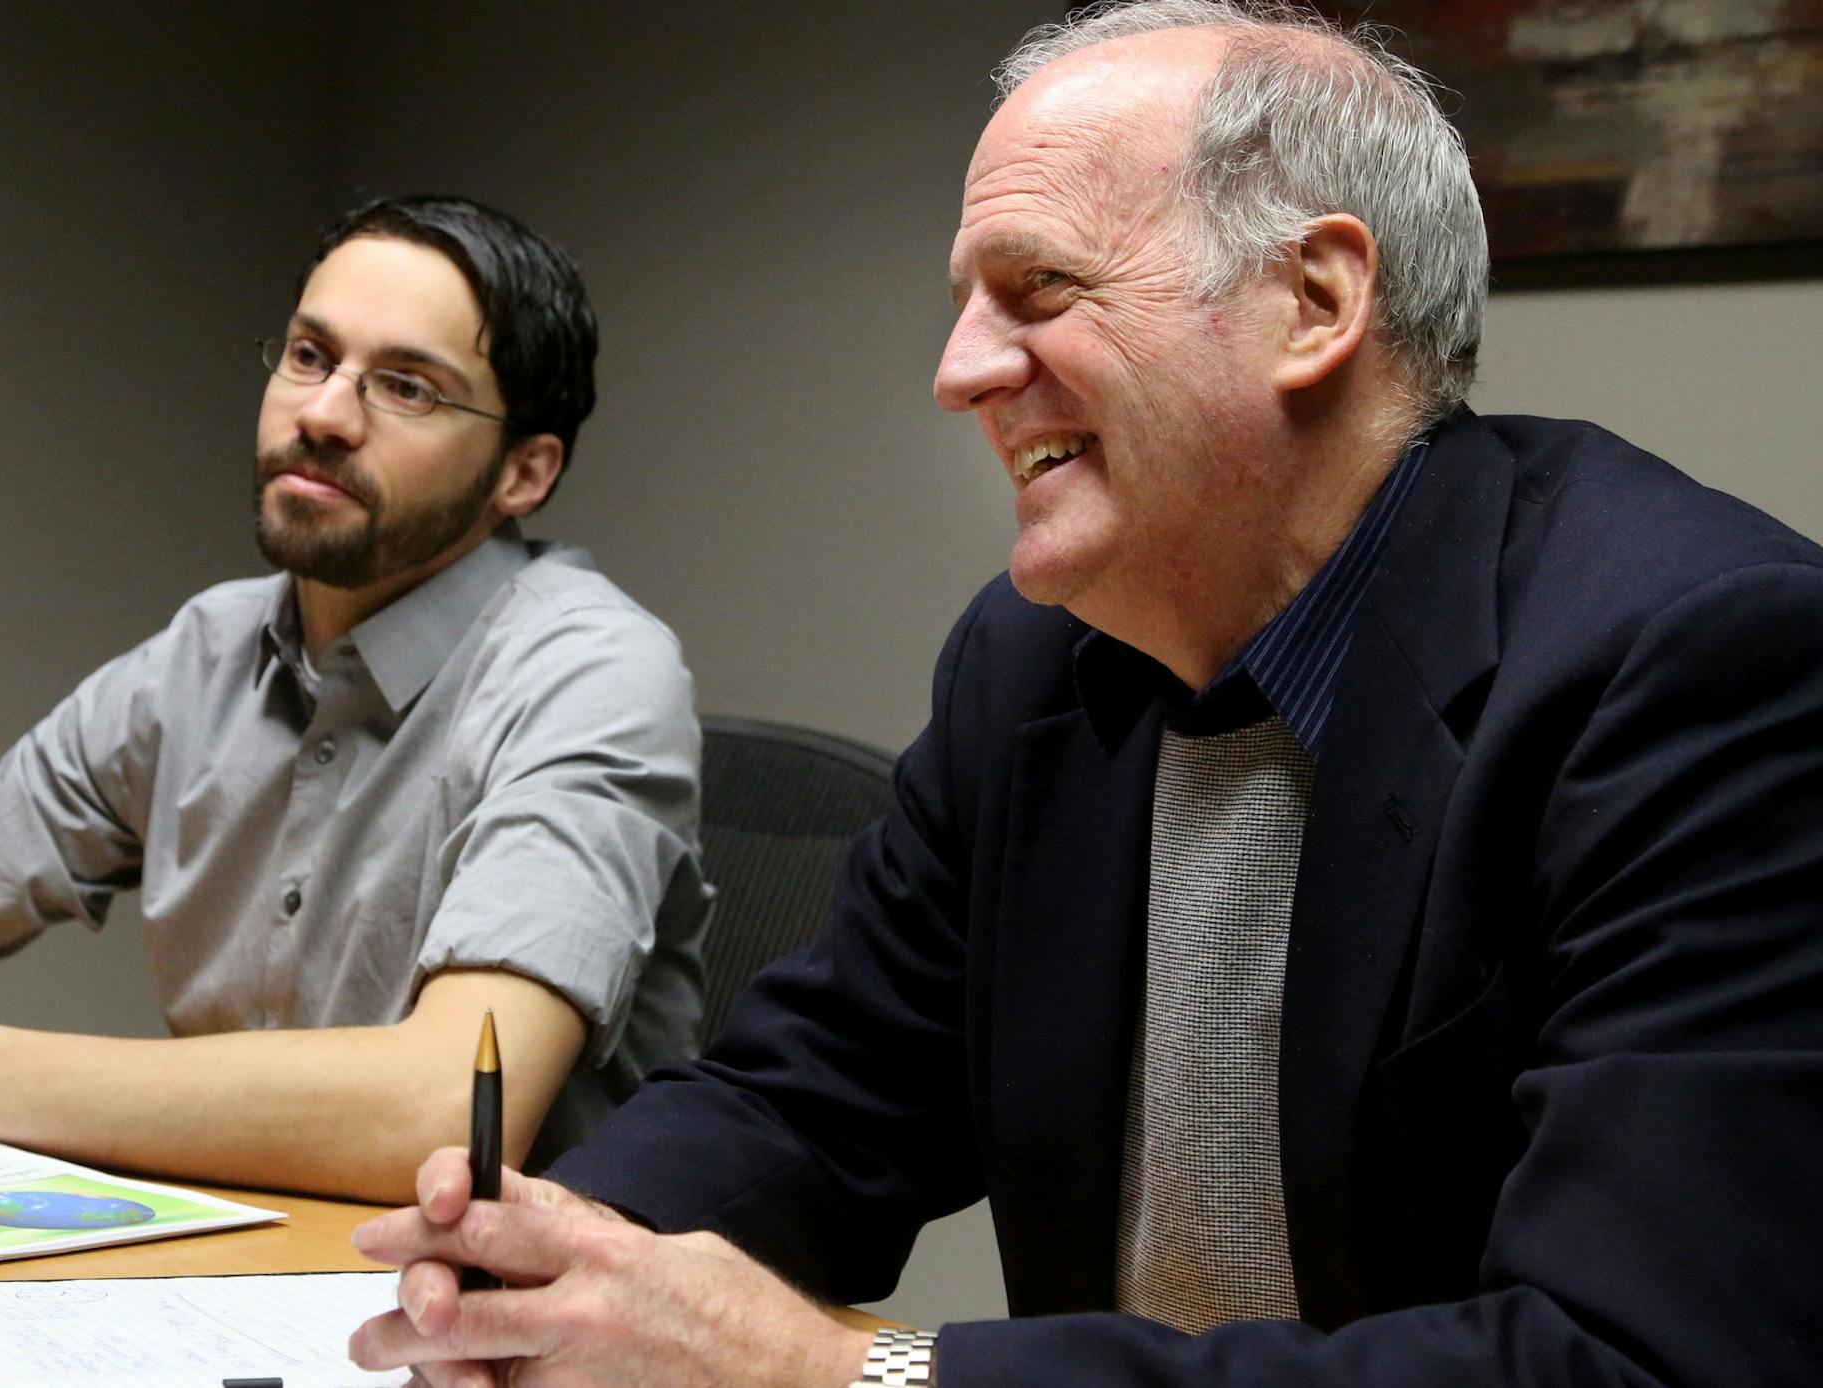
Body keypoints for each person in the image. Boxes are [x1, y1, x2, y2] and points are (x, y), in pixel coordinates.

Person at [346, 4, 1823, 1385]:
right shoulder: (1033, 659)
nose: (958, 372)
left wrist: (851, 1371)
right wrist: (538, 1251)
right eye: (962, 304)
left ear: (1313, 301)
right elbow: (812, 1101)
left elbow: (1632, 1356)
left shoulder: (1692, 662)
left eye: (1037, 289)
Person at [0, 194, 709, 1205]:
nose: (322, 413)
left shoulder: (592, 671)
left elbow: (442, 1112)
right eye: (311, 356)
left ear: (524, 472)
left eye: (407, 387)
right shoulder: (206, 652)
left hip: (508, 1332)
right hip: (219, 1275)